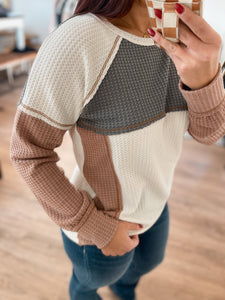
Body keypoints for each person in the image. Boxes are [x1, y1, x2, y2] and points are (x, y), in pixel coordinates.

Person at [10, 1, 224, 299]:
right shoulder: (78, 39)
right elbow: (28, 153)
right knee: (88, 284)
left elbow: (208, 134)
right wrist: (96, 227)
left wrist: (206, 80)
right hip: (100, 219)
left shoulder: (190, 40)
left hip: (156, 201)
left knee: (147, 264)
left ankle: (123, 291)